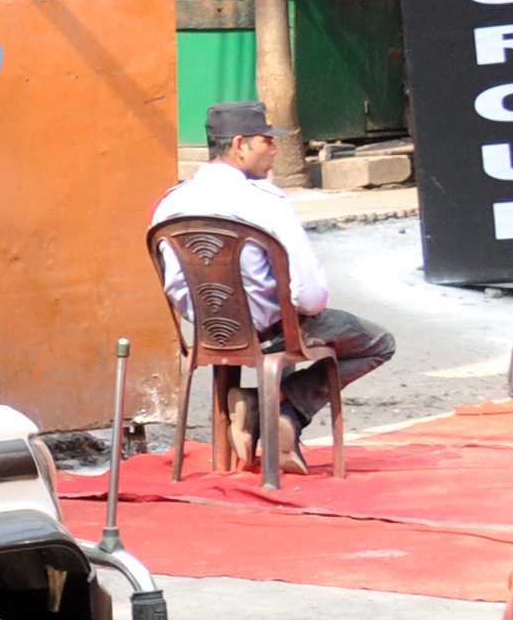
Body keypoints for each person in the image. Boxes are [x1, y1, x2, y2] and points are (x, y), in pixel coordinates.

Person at [153, 98, 394, 435]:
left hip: (207, 334)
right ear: (240, 145)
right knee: (378, 342)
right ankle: (279, 406)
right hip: (268, 335)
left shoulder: (169, 204)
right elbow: (311, 298)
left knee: (290, 321)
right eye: (267, 141)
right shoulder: (265, 202)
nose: (275, 150)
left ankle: (276, 421)